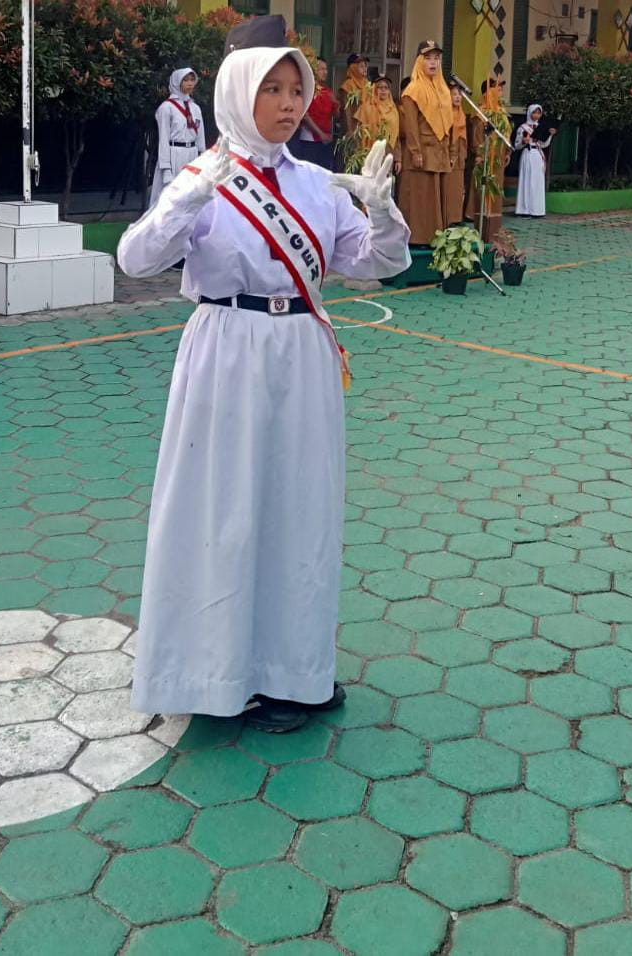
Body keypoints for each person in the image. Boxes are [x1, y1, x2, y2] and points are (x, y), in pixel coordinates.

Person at [117, 15, 411, 733]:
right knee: (219, 511)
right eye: (270, 89)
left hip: (302, 353)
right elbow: (134, 259)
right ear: (237, 92)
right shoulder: (204, 179)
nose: (287, 104)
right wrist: (185, 200)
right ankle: (209, 674)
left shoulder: (316, 183)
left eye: (295, 89)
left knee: (299, 511)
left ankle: (293, 676)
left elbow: (377, 264)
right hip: (225, 351)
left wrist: (381, 215)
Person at [398, 40, 453, 245]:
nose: (433, 63)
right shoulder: (413, 90)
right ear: (419, 61)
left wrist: (450, 151)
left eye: (436, 58)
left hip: (440, 152)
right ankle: (417, 238)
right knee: (420, 196)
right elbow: (411, 126)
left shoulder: (443, 89)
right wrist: (415, 152)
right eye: (428, 58)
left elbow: (448, 123)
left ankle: (435, 236)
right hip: (422, 152)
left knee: (436, 197)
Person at [150, 68, 206, 205]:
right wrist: (166, 169)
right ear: (177, 82)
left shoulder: (195, 108)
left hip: (192, 155)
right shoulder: (166, 108)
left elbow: (200, 136)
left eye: (192, 80)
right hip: (174, 154)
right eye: (185, 80)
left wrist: (203, 159)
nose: (190, 83)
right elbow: (164, 139)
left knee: (190, 198)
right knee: (170, 198)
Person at [464, 78, 511, 241]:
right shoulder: (481, 113)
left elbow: (505, 135)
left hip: (498, 158)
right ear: (488, 92)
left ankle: (495, 225)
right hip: (485, 157)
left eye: (501, 88)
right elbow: (477, 137)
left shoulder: (501, 112)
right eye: (497, 87)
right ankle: (480, 224)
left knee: (496, 190)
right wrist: (479, 154)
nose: (500, 90)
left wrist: (506, 152)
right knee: (483, 189)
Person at [295, 57, 339, 168]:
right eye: (321, 69)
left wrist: (336, 105)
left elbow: (336, 115)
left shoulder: (327, 91)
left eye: (326, 69)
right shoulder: (307, 89)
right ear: (313, 70)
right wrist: (320, 134)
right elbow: (305, 116)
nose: (325, 72)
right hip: (310, 140)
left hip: (325, 140)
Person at [515, 104, 556, 217]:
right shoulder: (523, 128)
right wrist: (523, 141)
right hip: (527, 154)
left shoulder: (541, 127)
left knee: (537, 182)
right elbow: (516, 145)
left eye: (539, 113)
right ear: (529, 113)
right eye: (534, 112)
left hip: (538, 155)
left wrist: (550, 135)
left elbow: (543, 144)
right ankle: (524, 210)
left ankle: (537, 210)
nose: (536, 115)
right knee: (527, 181)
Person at [356, 75, 401, 174]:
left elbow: (396, 137)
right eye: (380, 87)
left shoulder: (393, 110)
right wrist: (359, 154)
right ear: (375, 89)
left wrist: (398, 159)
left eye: (386, 88)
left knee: (385, 181)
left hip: (388, 153)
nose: (383, 90)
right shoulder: (367, 107)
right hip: (369, 153)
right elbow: (359, 133)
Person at [444, 78, 467, 224]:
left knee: (458, 189)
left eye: (459, 94)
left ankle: (457, 217)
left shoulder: (461, 114)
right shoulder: (447, 114)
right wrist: (451, 155)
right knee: (449, 188)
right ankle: (448, 217)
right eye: (454, 94)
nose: (458, 97)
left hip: (460, 157)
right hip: (448, 156)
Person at [339, 53, 370, 136]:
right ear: (353, 67)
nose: (365, 68)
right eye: (361, 66)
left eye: (365, 66)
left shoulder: (367, 83)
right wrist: (349, 130)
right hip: (353, 130)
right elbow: (346, 111)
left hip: (366, 129)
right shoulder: (348, 85)